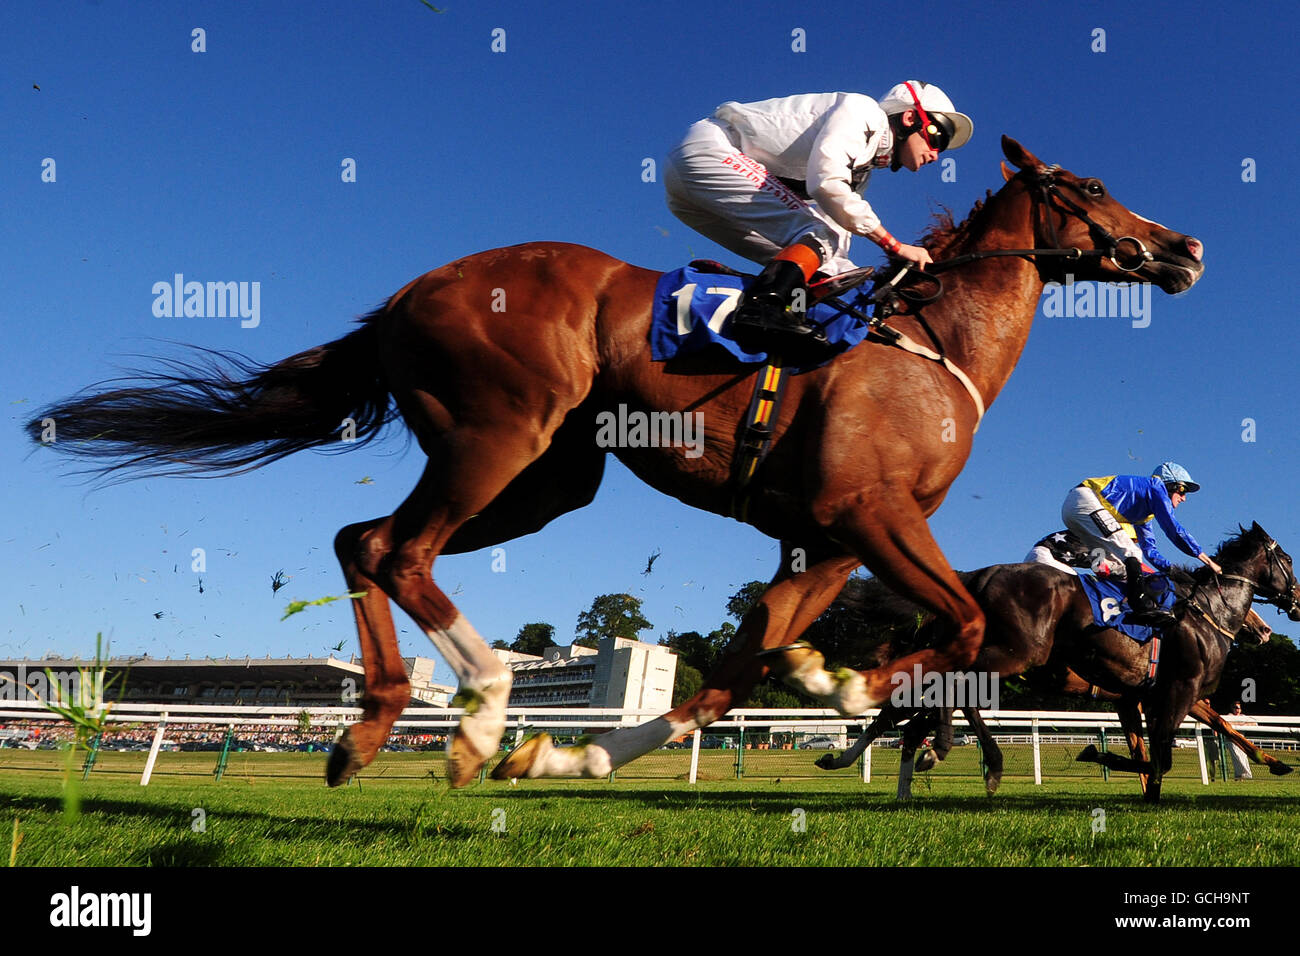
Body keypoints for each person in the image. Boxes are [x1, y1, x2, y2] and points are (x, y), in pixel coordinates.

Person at [664, 81, 973, 351]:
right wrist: (894, 246)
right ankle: (762, 309)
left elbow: (838, 241)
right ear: (909, 118)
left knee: (823, 260)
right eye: (937, 137)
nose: (936, 155)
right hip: (709, 150)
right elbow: (825, 183)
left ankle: (767, 309)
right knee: (818, 233)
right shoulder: (863, 112)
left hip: (688, 196)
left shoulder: (862, 170)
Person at [1061, 462, 1223, 627]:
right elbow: (1173, 529)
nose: (1184, 498)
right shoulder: (1156, 487)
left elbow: (1150, 551)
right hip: (1083, 501)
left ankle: (1099, 607)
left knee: (1108, 565)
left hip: (1075, 510)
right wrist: (1209, 561)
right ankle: (1139, 604)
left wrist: (1174, 571)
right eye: (1183, 490)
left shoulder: (1145, 513)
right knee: (1132, 552)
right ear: (1171, 485)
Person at [1224, 701, 1255, 780]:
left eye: (1239, 708)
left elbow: (1254, 723)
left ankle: (1242, 775)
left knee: (1243, 757)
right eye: (1236, 707)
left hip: (1241, 739)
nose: (1237, 709)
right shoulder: (1229, 716)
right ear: (1232, 708)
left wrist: (1241, 725)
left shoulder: (1243, 717)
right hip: (1232, 739)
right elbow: (1228, 725)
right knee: (1236, 756)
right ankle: (1240, 774)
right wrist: (1240, 725)